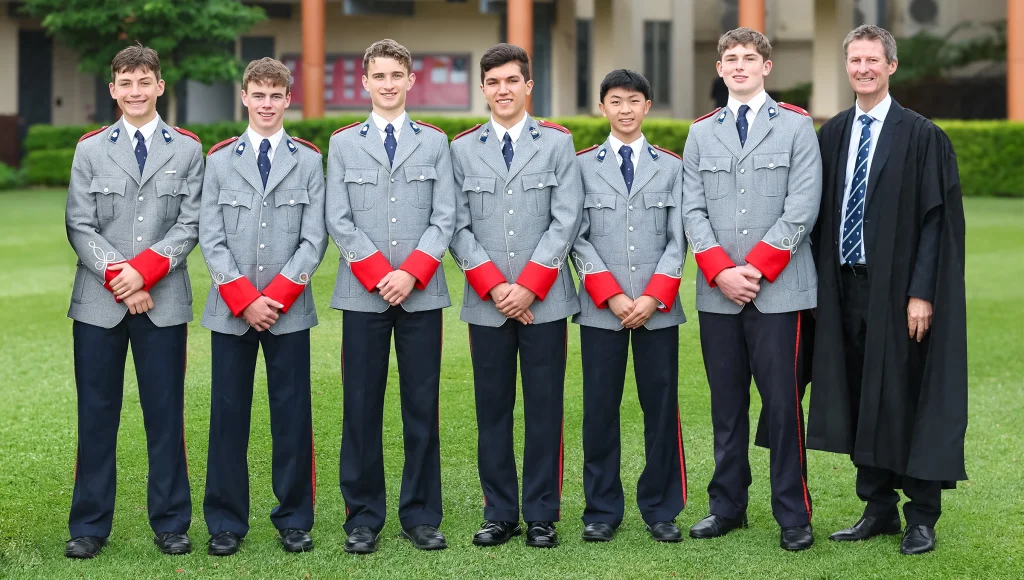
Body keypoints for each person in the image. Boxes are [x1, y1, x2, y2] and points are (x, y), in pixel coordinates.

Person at [807, 25, 967, 556]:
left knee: (907, 393)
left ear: (890, 66)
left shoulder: (922, 137)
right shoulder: (832, 134)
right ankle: (876, 506)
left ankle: (921, 514)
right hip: (845, 289)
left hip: (899, 293)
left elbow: (935, 222)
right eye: (855, 60)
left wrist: (922, 293)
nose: (863, 69)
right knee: (858, 395)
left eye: (873, 60)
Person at [681, 27, 821, 551]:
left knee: (783, 405)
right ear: (719, 70)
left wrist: (756, 269)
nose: (739, 66)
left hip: (779, 291)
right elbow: (691, 208)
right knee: (726, 405)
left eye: (749, 58)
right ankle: (727, 506)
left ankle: (792, 513)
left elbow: (803, 205)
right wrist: (720, 271)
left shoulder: (795, 127)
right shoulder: (700, 133)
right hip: (719, 292)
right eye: (730, 59)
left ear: (767, 66)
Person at [63, 43, 203, 559]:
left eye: (144, 82)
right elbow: (78, 223)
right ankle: (89, 526)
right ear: (113, 90)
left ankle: (170, 523)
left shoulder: (187, 149)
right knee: (97, 414)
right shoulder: (90, 149)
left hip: (162, 300)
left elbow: (190, 224)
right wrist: (120, 277)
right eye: (126, 83)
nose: (136, 92)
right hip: (99, 304)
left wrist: (144, 274)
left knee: (164, 414)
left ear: (160, 86)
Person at [448, 43, 584, 549]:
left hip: (544, 299)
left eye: (512, 81)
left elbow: (565, 218)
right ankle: (500, 512)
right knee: (493, 410)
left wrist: (529, 284)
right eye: (493, 82)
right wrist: (496, 286)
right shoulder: (462, 149)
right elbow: (455, 225)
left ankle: (543, 513)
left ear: (529, 85)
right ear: (482, 89)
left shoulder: (556, 144)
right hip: (488, 302)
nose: (502, 90)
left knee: (545, 407)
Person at [325, 39, 456, 555]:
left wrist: (412, 274)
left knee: (421, 405)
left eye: (396, 75)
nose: (387, 84)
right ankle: (362, 516)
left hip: (421, 294)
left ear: (410, 80)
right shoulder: (343, 143)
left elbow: (444, 215)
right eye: (378, 76)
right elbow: (338, 217)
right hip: (363, 294)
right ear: (365, 82)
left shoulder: (434, 142)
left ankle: (422, 514)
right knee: (360, 406)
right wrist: (383, 275)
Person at [199, 57, 328, 557]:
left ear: (287, 99)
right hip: (231, 308)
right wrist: (243, 299)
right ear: (245, 98)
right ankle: (225, 522)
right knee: (228, 414)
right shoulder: (220, 159)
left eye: (276, 95)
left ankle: (294, 518)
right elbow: (211, 237)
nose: (267, 103)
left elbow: (313, 238)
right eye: (259, 94)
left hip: (287, 308)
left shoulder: (308, 159)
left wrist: (274, 297)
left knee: (291, 414)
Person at [571, 69, 688, 544]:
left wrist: (653, 295)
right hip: (603, 309)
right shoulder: (580, 166)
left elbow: (682, 239)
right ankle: (600, 508)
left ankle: (661, 508)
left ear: (648, 106)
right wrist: (614, 295)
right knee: (600, 408)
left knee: (659, 408)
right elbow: (574, 236)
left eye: (633, 100)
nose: (624, 109)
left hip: (657, 309)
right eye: (615, 101)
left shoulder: (673, 167)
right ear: (602, 108)